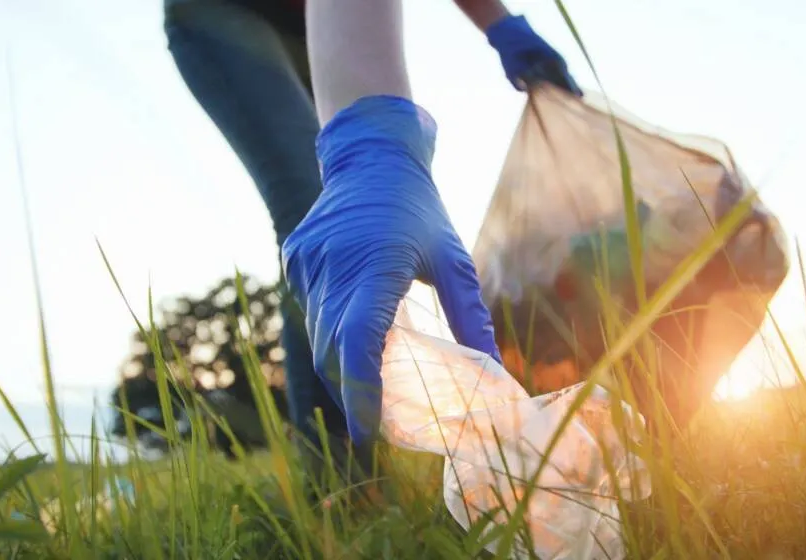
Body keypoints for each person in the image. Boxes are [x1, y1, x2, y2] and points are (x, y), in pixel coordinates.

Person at [163, 0, 580, 488]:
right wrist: (370, 151)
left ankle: (367, 465)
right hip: (223, 13)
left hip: (315, 21)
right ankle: (340, 487)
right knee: (317, 209)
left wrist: (500, 24)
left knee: (371, 208)